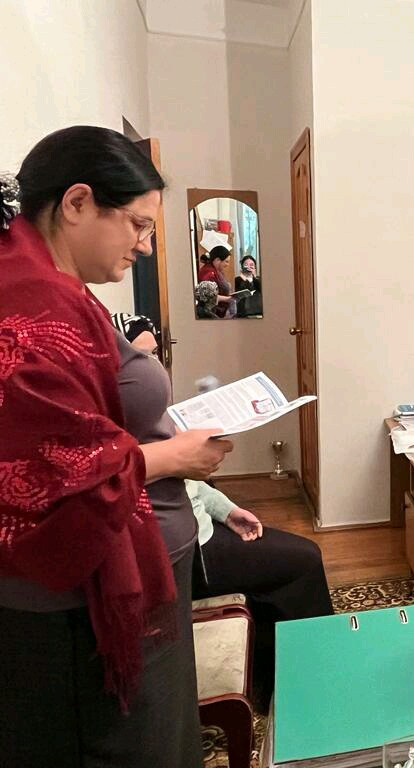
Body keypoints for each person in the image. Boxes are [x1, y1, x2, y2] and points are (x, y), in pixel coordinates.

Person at [0, 126, 232, 767]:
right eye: (137, 224)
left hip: (129, 563)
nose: (145, 245)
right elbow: (53, 472)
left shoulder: (58, 288)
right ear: (77, 203)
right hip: (74, 603)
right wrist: (176, 457)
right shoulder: (31, 305)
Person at [187, 479, 333, 709]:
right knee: (306, 561)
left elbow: (190, 485)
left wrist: (226, 511)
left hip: (200, 529)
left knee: (286, 560)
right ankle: (314, 684)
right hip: (189, 553)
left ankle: (272, 685)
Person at [196, 245, 235, 318]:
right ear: (217, 260)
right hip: (209, 313)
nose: (227, 264)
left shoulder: (216, 270)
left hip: (217, 312)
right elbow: (209, 296)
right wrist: (229, 299)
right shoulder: (208, 272)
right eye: (226, 261)